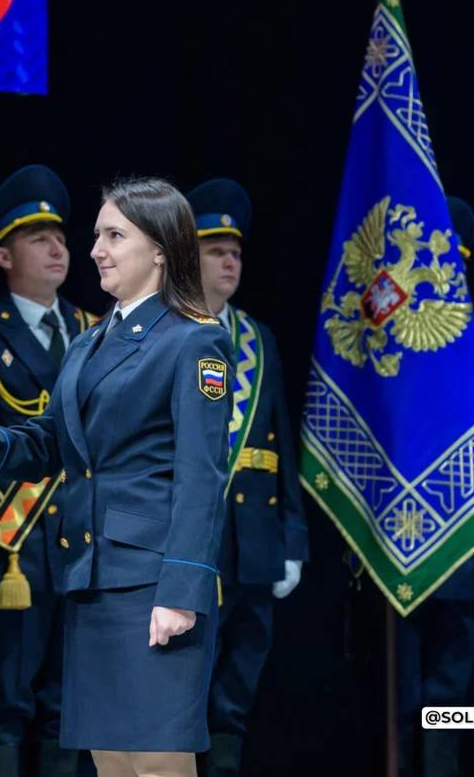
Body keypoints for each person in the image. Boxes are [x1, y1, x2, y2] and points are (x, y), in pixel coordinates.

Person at [0, 177, 233, 777]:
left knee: (159, 762)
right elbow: (52, 443)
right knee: (111, 760)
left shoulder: (196, 342)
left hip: (153, 582)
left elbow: (201, 477)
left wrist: (182, 592)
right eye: (98, 236)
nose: (96, 250)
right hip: (90, 578)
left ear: (160, 248)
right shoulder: (88, 345)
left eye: (114, 235)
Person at [0, 164, 96, 777]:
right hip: (10, 549)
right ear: (4, 255)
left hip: (81, 544)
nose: (58, 248)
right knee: (6, 702)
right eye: (38, 239)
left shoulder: (93, 329)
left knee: (70, 700)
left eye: (60, 237)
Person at [184, 179, 309, 777]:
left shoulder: (259, 339)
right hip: (189, 545)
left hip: (254, 542)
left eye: (236, 252)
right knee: (185, 688)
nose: (231, 261)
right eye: (216, 251)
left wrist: (293, 541)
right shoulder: (164, 332)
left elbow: (284, 444)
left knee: (237, 690)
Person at [393, 196, 474, 777]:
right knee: (397, 697)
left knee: (449, 702)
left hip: (465, 551)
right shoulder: (387, 352)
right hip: (400, 552)